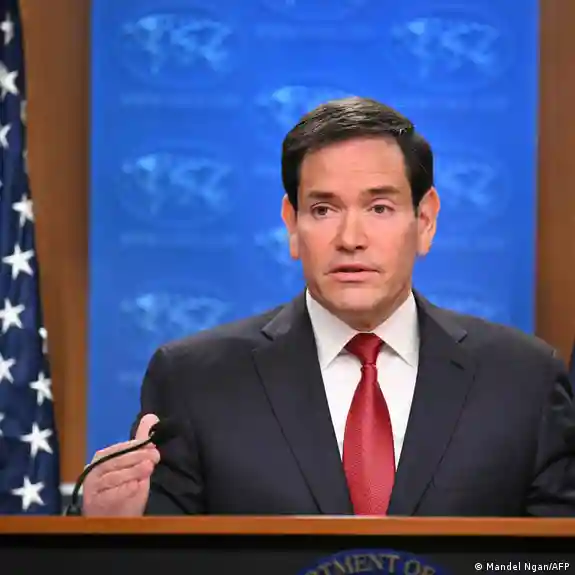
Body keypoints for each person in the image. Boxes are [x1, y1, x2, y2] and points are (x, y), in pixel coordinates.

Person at [82, 96, 575, 517]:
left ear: (425, 221)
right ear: (292, 224)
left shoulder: (525, 381)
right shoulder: (195, 381)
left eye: (379, 208)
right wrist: (110, 529)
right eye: (323, 209)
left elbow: (553, 560)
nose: (350, 238)